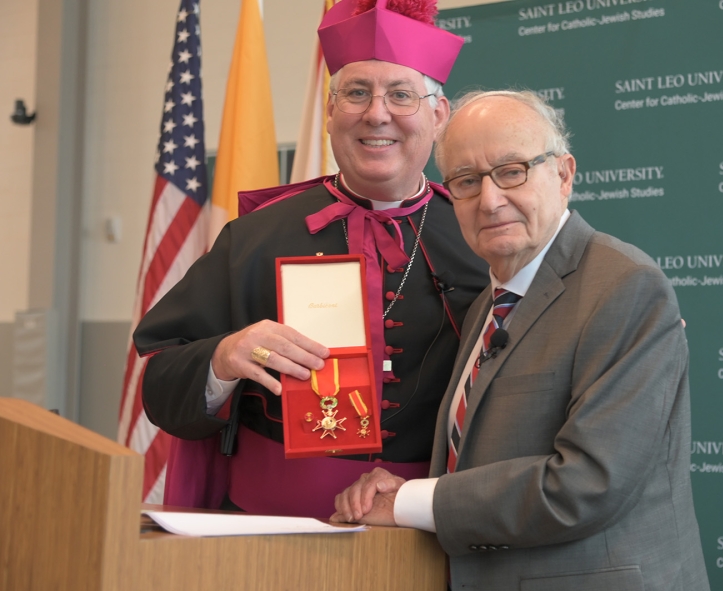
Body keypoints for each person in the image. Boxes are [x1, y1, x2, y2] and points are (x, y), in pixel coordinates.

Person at [332, 90, 712, 591]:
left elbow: (585, 484)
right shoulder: (484, 307)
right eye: (466, 182)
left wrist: (409, 502)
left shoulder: (624, 287)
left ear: (563, 174)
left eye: (512, 170)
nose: (490, 200)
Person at [133, 0, 489, 519]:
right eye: (357, 93)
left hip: (426, 531)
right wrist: (224, 358)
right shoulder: (253, 236)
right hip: (267, 531)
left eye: (401, 95)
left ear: (439, 116)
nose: (376, 113)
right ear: (329, 111)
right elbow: (160, 385)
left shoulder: (481, 235)